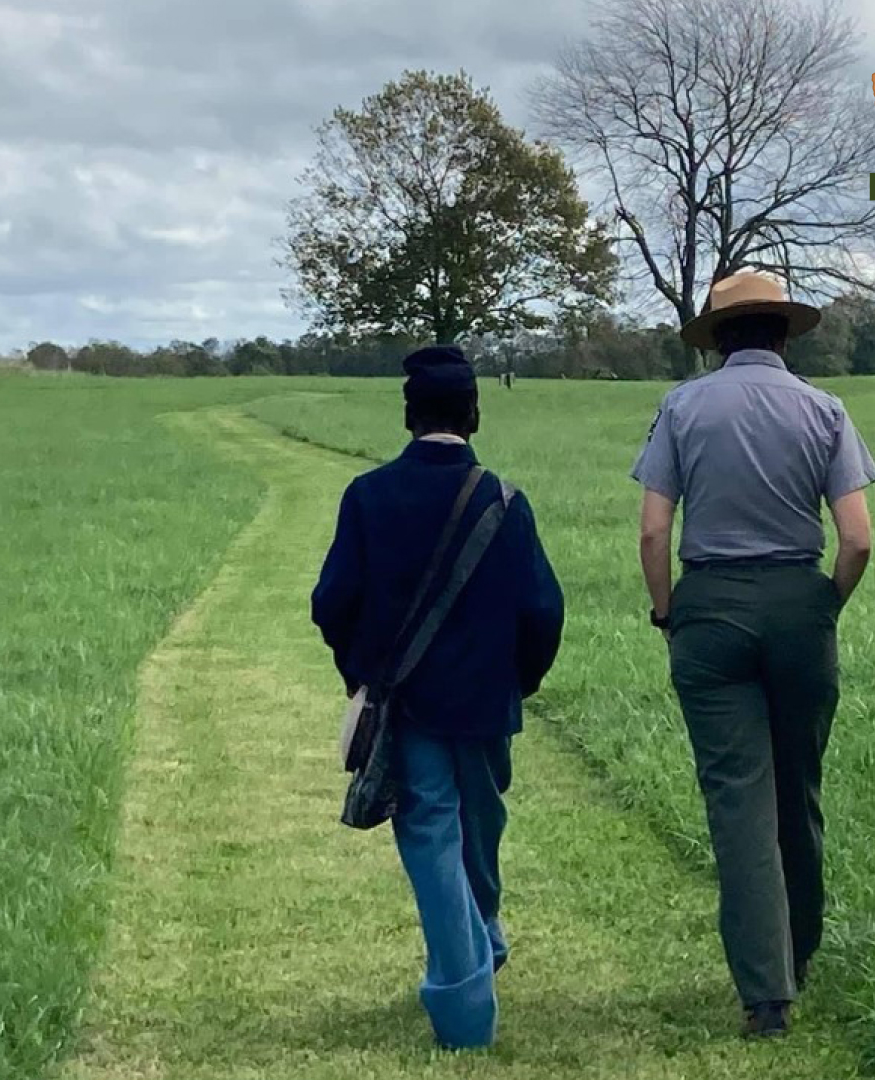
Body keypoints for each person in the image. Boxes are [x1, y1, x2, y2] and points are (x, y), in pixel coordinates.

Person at [630, 271, 875, 1039]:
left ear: (719, 340)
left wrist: (669, 611)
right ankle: (800, 951)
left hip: (710, 607)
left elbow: (651, 531)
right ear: (782, 334)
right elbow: (859, 538)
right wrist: (821, 606)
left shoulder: (680, 407)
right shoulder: (825, 409)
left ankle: (765, 994)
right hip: (799, 604)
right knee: (797, 789)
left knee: (739, 799)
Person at [311, 345, 565, 1051]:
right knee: (481, 824)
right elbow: (543, 611)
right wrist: (520, 680)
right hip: (487, 704)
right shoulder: (505, 501)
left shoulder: (367, 495)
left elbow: (333, 601)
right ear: (474, 413)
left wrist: (361, 674)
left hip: (410, 704)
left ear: (408, 414)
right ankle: (477, 954)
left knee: (431, 834)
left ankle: (464, 1001)